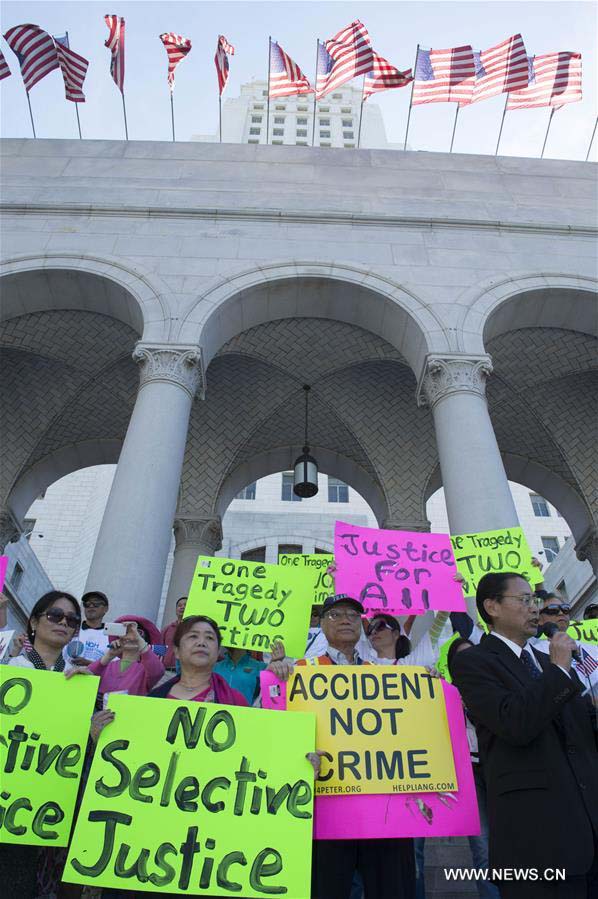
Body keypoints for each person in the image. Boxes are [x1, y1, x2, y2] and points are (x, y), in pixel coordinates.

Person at [451, 572, 598, 899]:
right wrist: (559, 671)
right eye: (525, 600)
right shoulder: (474, 662)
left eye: (536, 600)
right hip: (536, 844)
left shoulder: (550, 662)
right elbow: (514, 723)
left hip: (586, 833)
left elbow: (577, 731)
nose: (536, 608)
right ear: (492, 606)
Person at [268, 594, 416, 899]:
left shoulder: (383, 674)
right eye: (336, 615)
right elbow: (275, 731)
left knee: (390, 887)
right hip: (326, 804)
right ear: (321, 626)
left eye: (352, 614)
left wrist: (428, 685)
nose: (346, 619)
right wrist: (275, 680)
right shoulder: (298, 671)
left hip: (381, 803)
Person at [0, 591, 82, 898]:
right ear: (34, 621)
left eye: (72, 620)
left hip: (46, 808)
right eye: (54, 615)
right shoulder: (10, 668)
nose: (63, 623)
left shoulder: (79, 681)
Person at [150, 614, 250, 705]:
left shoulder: (236, 701)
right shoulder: (153, 700)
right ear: (176, 651)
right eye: (193, 636)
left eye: (209, 638)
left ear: (218, 651)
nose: (201, 643)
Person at [69, 615, 164, 698]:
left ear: (144, 640)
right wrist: (109, 656)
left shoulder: (146, 669)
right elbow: (88, 676)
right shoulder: (107, 665)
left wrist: (137, 638)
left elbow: (158, 672)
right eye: (125, 632)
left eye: (138, 633)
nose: (130, 637)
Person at [67, 590, 111, 665]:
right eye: (87, 604)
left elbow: (114, 668)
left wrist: (90, 664)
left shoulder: (111, 637)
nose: (91, 606)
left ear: (105, 609)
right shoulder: (72, 629)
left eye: (96, 603)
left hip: (94, 676)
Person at [161, 595, 187, 671]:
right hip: (166, 671)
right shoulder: (167, 629)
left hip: (186, 673)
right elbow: (159, 649)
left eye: (185, 605)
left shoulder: (195, 629)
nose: (182, 607)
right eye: (179, 605)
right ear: (176, 609)